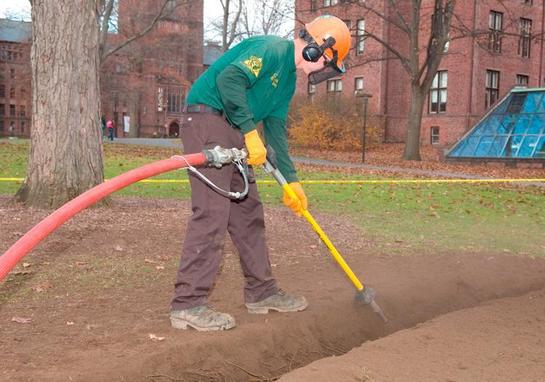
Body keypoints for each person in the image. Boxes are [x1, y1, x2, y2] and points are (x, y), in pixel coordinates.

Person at [170, 15, 351, 331]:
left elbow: (277, 130)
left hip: (234, 130)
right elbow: (229, 80)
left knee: (248, 214)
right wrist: (251, 134)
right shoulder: (272, 49)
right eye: (327, 63)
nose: (323, 71)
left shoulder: (289, 80)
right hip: (207, 121)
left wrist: (292, 181)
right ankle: (188, 305)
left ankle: (262, 293)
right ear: (318, 48)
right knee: (213, 213)